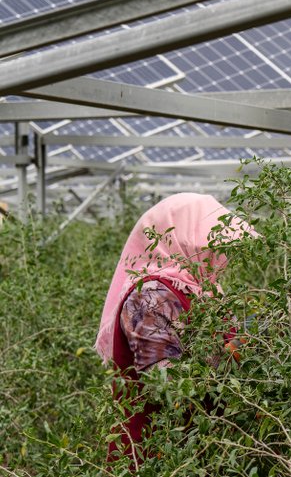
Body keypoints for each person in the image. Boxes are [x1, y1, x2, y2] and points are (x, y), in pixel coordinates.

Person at [94, 193, 256, 465]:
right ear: (183, 243)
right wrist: (239, 347)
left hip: (197, 451)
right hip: (158, 457)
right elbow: (169, 386)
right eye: (208, 247)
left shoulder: (199, 290)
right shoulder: (150, 296)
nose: (218, 257)